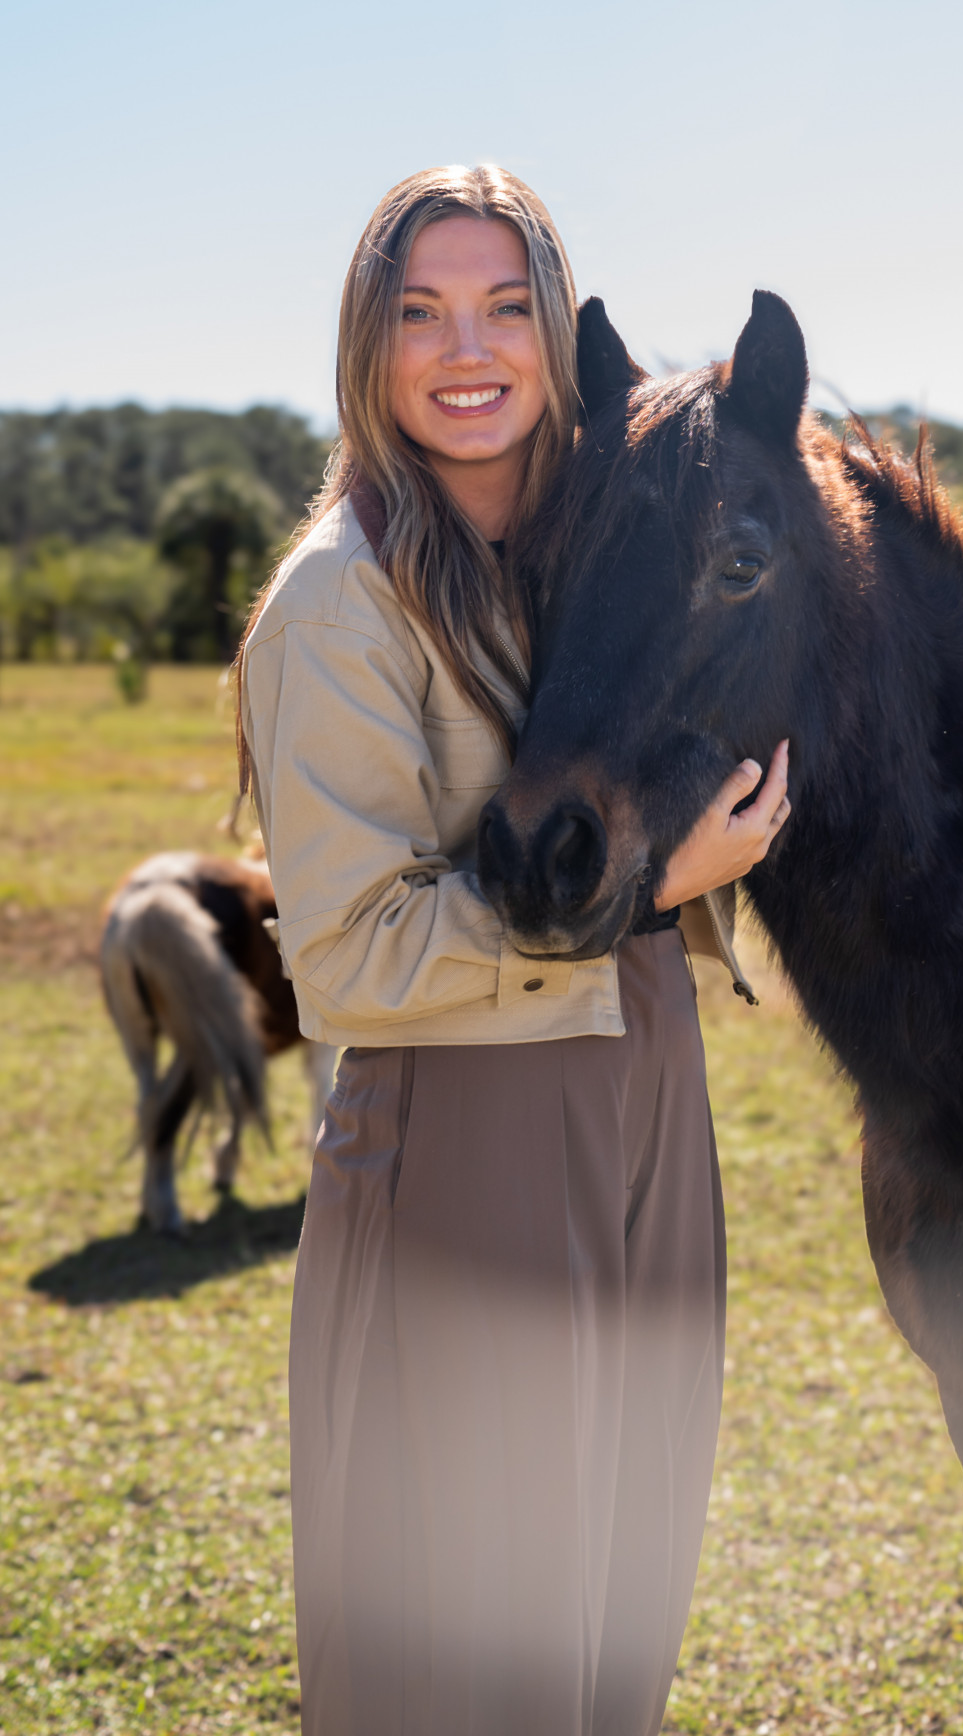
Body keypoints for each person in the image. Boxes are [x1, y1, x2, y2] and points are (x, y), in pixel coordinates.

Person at [236, 164, 790, 1736]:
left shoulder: (585, 554)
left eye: (503, 309)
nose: (466, 350)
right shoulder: (339, 604)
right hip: (467, 1123)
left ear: (557, 334)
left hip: (645, 1083)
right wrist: (652, 887)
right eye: (421, 312)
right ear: (370, 344)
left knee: (616, 1600)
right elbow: (345, 960)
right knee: (468, 1639)